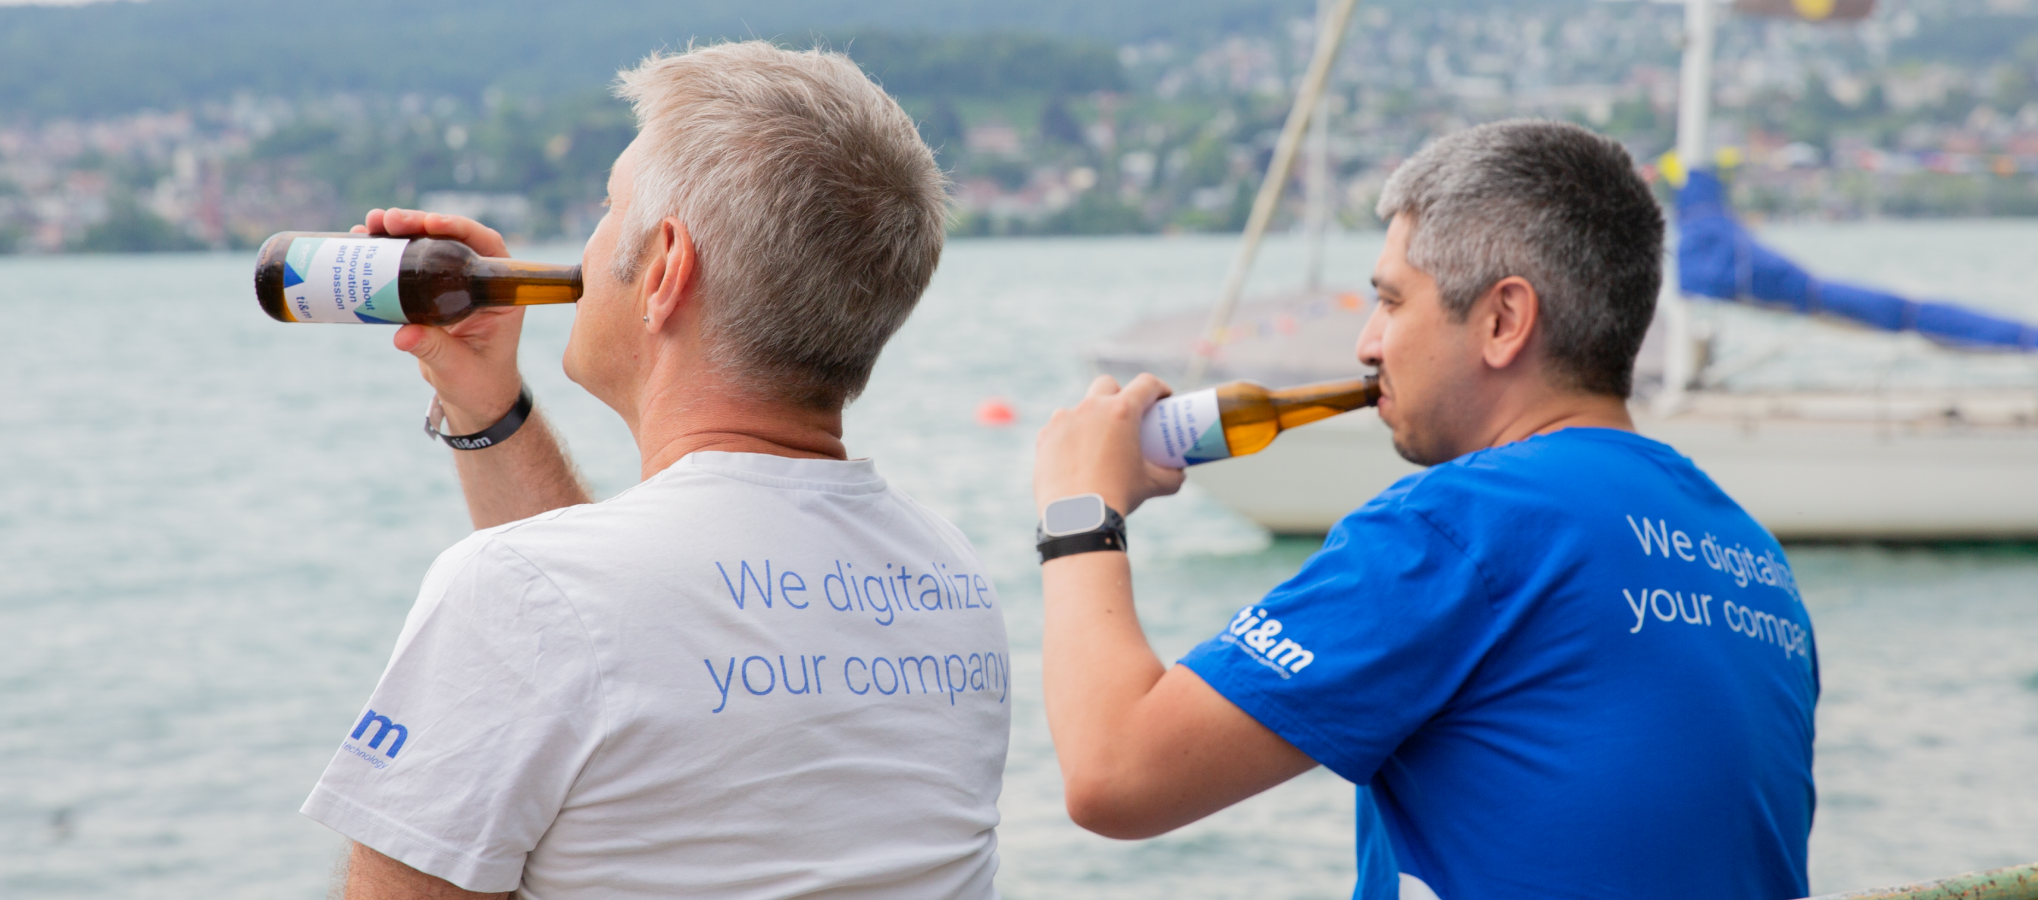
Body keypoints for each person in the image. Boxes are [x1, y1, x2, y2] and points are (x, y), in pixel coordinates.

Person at [1030, 120, 1817, 900]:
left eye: (1391, 301)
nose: (1367, 343)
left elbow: (1116, 774)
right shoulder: (1750, 554)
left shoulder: (1464, 524)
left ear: (1503, 321)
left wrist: (1080, 509)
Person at [301, 42, 1011, 899]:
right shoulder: (951, 577)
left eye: (610, 206)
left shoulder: (522, 592)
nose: (586, 248)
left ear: (667, 267)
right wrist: (485, 404)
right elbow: (610, 629)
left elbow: (575, 620)